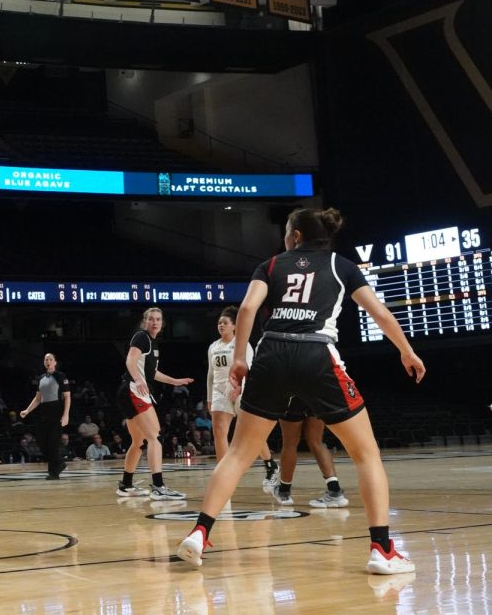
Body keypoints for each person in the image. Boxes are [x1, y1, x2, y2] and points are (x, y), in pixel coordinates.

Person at [177, 207, 426, 575]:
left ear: (294, 236)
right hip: (316, 352)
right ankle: (382, 550)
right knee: (366, 454)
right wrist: (406, 350)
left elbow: (246, 308)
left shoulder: (273, 265)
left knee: (239, 454)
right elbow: (381, 314)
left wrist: (241, 358)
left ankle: (199, 533)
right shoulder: (342, 266)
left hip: (271, 352)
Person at [115, 308, 195, 500]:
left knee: (138, 442)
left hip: (131, 391)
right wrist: (139, 380)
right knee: (155, 437)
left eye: (158, 319)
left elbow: (152, 373)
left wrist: (174, 381)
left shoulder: (153, 343)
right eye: (151, 319)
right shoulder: (141, 337)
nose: (155, 322)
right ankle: (158, 487)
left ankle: (125, 485)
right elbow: (130, 361)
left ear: (162, 323)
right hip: (134, 390)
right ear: (145, 321)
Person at [207, 306, 279, 490]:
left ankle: (270, 463)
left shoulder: (243, 345)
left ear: (234, 326)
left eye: (225, 322)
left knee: (250, 434)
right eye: (219, 323)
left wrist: (238, 389)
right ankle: (222, 476)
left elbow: (247, 371)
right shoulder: (213, 346)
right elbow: (210, 374)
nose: (221, 325)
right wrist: (209, 397)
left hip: (243, 390)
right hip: (219, 391)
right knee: (219, 432)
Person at [272, 402, 349, 507]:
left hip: (293, 394)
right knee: (317, 442)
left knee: (290, 444)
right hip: (315, 393)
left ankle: (284, 492)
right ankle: (334, 490)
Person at [20, 353, 71, 480]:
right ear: (44, 363)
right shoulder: (41, 378)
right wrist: (27, 410)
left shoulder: (61, 376)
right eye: (46, 359)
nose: (48, 361)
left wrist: (66, 415)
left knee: (53, 443)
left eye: (50, 359)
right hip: (44, 412)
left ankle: (53, 472)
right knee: (42, 443)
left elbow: (67, 397)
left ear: (55, 362)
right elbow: (38, 398)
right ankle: (59, 463)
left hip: (57, 411)